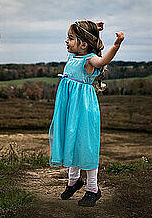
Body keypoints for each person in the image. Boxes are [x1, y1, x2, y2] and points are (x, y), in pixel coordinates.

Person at [49, 20, 124, 207]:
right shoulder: (73, 56)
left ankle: (93, 188)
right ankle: (74, 181)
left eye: (71, 38)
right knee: (72, 141)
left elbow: (103, 60)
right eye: (68, 37)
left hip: (84, 109)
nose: (66, 41)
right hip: (68, 108)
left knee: (86, 145)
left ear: (83, 44)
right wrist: (94, 29)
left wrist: (116, 46)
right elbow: (84, 36)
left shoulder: (89, 60)